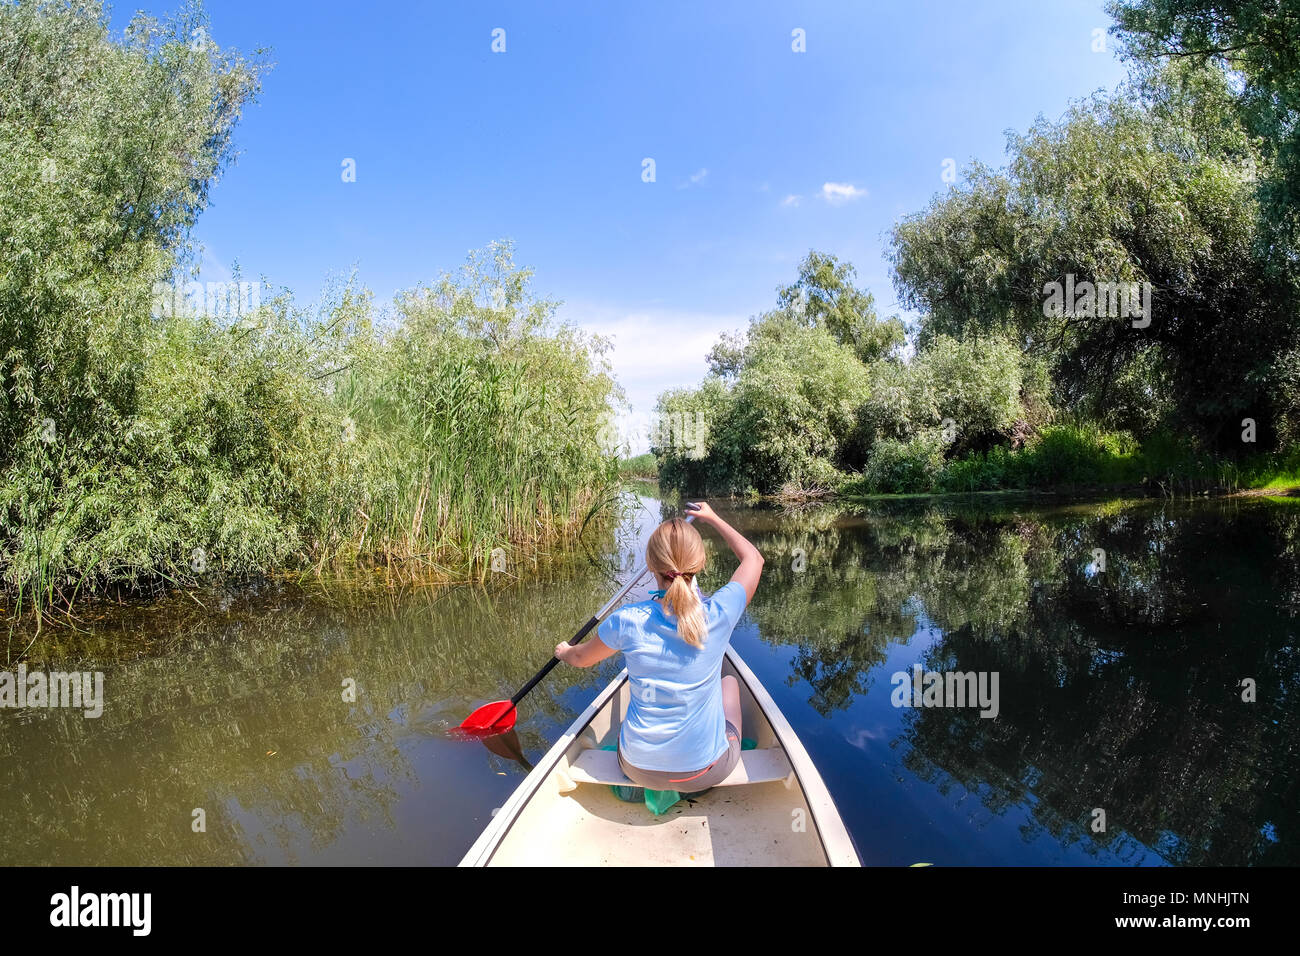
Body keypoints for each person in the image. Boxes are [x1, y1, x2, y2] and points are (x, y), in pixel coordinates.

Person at [554, 500, 764, 791]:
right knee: (727, 682)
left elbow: (580, 659)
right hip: (704, 772)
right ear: (700, 564)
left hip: (637, 768)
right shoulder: (720, 612)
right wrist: (713, 518)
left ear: (652, 566)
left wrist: (564, 651)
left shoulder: (626, 621)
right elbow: (753, 559)